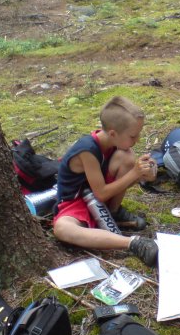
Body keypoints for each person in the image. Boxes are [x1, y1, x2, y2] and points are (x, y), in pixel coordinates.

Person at [53, 96, 159, 267]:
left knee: (127, 156)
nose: (137, 140)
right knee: (62, 229)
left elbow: (121, 180)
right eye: (133, 136)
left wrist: (145, 175)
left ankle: (113, 212)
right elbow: (101, 194)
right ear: (112, 133)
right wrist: (135, 173)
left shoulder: (116, 143)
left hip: (99, 197)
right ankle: (132, 243)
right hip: (76, 203)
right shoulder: (87, 150)